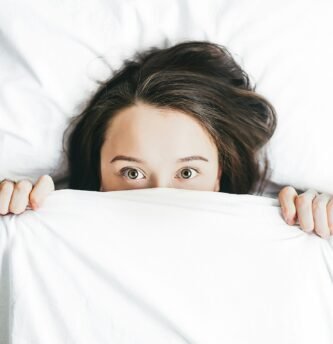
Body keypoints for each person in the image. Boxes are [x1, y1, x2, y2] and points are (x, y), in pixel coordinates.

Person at [0, 40, 332, 240]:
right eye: (132, 173)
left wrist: (321, 225)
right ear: (99, 176)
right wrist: (19, 215)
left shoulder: (278, 235)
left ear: (218, 175)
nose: (159, 198)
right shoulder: (54, 232)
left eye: (187, 173)